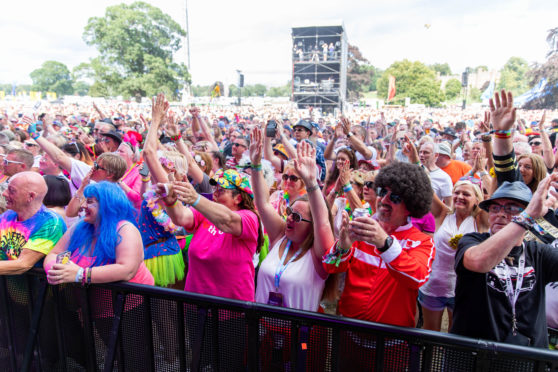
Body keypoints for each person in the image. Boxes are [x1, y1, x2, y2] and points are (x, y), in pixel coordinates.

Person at [323, 162, 435, 327]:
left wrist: (384, 243)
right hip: (349, 333)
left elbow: (418, 278)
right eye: (382, 192)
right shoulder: (362, 229)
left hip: (392, 342)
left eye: (395, 197)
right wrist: (343, 246)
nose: (384, 200)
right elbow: (329, 266)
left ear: (411, 205)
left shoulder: (421, 241)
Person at [451, 179, 558, 348]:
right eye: (495, 208)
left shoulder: (539, 253)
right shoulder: (472, 241)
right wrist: (526, 218)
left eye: (511, 207)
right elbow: (479, 262)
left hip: (526, 358)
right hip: (474, 357)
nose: (500, 213)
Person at [250, 128, 335, 311]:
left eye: (296, 217)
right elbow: (263, 204)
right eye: (289, 212)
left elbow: (323, 222)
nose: (289, 218)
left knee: (303, 343)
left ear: (312, 227)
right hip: (264, 331)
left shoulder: (318, 255)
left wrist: (312, 183)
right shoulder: (280, 236)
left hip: (300, 336)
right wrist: (256, 165)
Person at [159, 168, 263, 301]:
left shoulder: (249, 218)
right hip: (196, 303)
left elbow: (227, 220)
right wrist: (171, 202)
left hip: (230, 308)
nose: (215, 194)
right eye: (215, 189)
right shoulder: (207, 211)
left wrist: (195, 198)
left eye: (222, 190)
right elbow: (181, 217)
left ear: (238, 198)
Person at [418, 177, 488, 331]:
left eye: (466, 194)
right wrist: (416, 162)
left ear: (477, 200)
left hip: (463, 290)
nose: (460, 197)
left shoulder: (480, 220)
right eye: (457, 193)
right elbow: (426, 188)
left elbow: (495, 191)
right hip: (433, 285)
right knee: (430, 334)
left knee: (456, 336)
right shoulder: (442, 214)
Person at [0, 172, 66, 274]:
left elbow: (23, 264)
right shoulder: (8, 216)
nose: (4, 193)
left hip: (36, 288)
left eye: (11, 191)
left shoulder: (51, 223)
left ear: (30, 196)